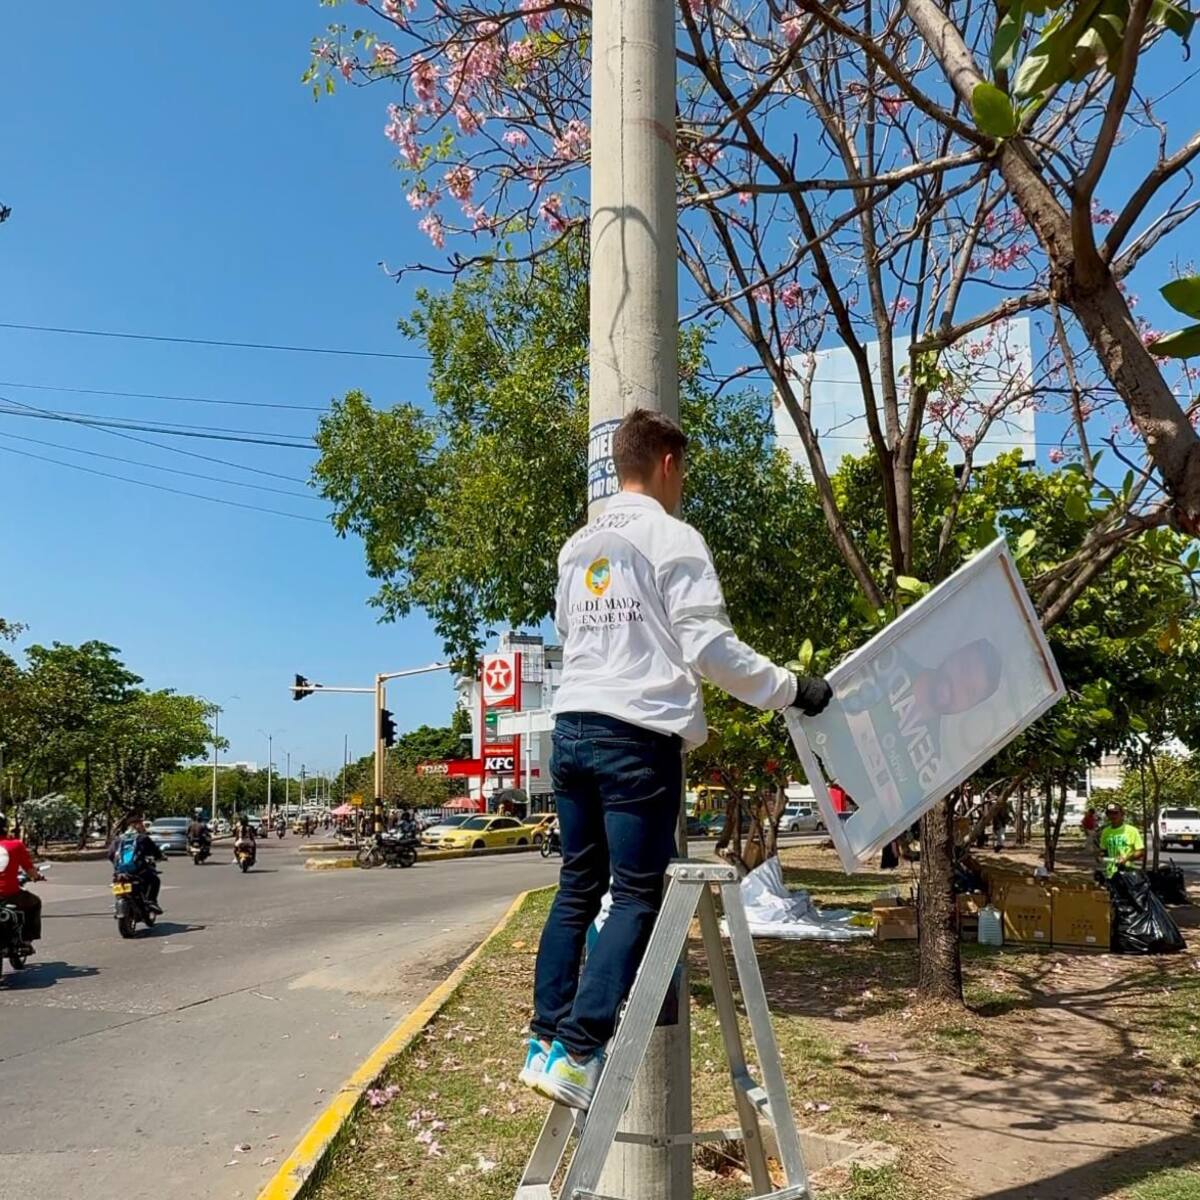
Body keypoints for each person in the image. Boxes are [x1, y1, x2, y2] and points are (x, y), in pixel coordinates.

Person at [522, 409, 832, 1111]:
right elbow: (710, 649)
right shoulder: (673, 538)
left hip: (570, 728)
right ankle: (579, 1051)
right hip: (635, 736)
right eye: (682, 471)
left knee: (577, 888)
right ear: (667, 463)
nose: (682, 483)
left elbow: (572, 633)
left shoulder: (577, 547)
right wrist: (791, 689)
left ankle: (543, 1041)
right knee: (637, 894)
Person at [0, 813, 44, 948]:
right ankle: (27, 938)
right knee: (35, 902)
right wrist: (36, 877)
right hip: (9, 894)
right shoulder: (15, 845)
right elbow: (30, 870)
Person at [108, 815, 165, 912]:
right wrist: (160, 857)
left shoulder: (118, 839)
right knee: (155, 880)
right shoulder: (142, 838)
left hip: (120, 872)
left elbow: (110, 854)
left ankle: (118, 902)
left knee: (117, 883)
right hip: (138, 871)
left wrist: (118, 865)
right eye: (141, 824)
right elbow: (155, 852)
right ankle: (151, 902)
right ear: (135, 825)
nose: (143, 826)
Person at [1098, 802, 1145, 877]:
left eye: (1115, 813)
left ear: (1122, 814)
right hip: (1111, 874)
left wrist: (1126, 859)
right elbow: (1103, 851)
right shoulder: (1105, 832)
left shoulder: (1132, 830)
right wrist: (1100, 856)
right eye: (1110, 813)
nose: (1113, 816)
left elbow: (1140, 851)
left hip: (1128, 873)